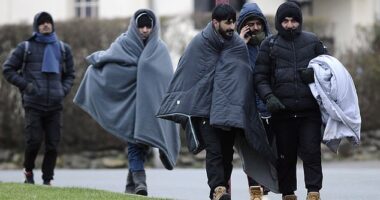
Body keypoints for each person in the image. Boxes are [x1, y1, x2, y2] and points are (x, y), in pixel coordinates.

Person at [157, 4, 276, 200]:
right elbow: (187, 72)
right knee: (214, 152)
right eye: (227, 23)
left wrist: (242, 46)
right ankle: (218, 189)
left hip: (228, 110)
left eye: (233, 23)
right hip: (205, 109)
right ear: (215, 23)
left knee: (226, 154)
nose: (231, 27)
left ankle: (220, 192)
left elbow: (240, 72)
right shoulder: (199, 43)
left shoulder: (237, 43)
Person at [73, 9, 179, 196]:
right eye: (141, 26)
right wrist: (96, 64)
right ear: (135, 26)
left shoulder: (160, 49)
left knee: (143, 145)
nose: (145, 30)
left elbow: (165, 80)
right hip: (129, 107)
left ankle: (131, 187)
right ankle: (141, 182)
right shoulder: (124, 43)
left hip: (149, 109)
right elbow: (109, 62)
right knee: (134, 144)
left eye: (148, 26)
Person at [253, 1, 327, 200]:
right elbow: (260, 77)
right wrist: (269, 97)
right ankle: (288, 193)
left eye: (294, 20)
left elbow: (329, 70)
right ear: (278, 23)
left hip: (309, 110)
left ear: (299, 21)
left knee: (312, 152)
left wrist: (314, 75)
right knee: (285, 156)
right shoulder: (268, 45)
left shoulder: (313, 42)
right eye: (285, 21)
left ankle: (314, 191)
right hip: (282, 112)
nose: (289, 25)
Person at [2, 11, 75, 185]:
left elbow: (70, 74)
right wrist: (27, 87)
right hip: (33, 103)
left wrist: (61, 91)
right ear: (37, 26)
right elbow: (8, 70)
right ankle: (28, 170)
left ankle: (47, 180)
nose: (45, 25)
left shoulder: (63, 48)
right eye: (41, 23)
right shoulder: (25, 47)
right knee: (33, 141)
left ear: (52, 25)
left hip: (55, 104)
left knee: (53, 145)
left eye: (48, 22)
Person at [236, 2, 273, 200]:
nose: (255, 28)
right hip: (248, 110)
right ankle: (255, 192)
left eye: (258, 23)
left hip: (269, 109)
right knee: (251, 153)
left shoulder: (271, 45)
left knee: (270, 151)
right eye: (250, 24)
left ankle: (266, 187)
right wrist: (240, 42)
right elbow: (231, 70)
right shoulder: (236, 46)